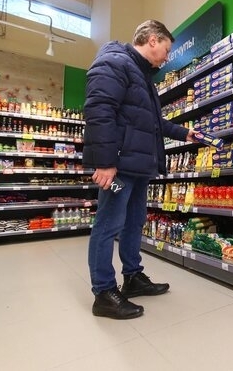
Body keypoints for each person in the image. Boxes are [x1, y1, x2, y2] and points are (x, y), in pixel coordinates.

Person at [83, 20, 195, 319]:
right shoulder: (115, 63)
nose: (167, 57)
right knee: (109, 224)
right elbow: (98, 110)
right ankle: (103, 292)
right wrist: (105, 162)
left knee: (134, 222)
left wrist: (185, 133)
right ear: (153, 40)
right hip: (119, 169)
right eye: (167, 50)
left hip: (138, 167)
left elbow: (151, 123)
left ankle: (132, 276)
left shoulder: (141, 75)